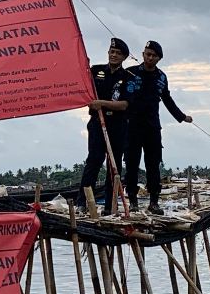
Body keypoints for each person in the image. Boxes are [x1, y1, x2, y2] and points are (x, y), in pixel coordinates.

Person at [125, 40, 192, 215]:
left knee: (153, 164)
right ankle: (132, 200)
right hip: (131, 126)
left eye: (154, 56)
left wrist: (181, 116)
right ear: (143, 54)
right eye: (148, 54)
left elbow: (167, 99)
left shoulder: (161, 77)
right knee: (131, 163)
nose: (150, 58)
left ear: (159, 58)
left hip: (152, 127)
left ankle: (154, 201)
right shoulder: (130, 73)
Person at [75, 37, 140, 213]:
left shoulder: (128, 78)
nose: (114, 55)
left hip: (117, 125)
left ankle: (110, 206)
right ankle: (83, 203)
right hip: (97, 123)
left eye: (118, 53)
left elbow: (125, 104)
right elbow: (82, 87)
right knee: (94, 161)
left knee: (114, 164)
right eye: (112, 52)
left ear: (124, 57)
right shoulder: (95, 71)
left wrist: (101, 103)